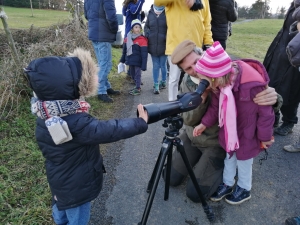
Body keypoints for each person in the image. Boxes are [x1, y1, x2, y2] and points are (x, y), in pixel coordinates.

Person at [24, 48, 148, 225]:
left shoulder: (44, 113)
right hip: (78, 187)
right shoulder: (75, 121)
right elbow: (109, 130)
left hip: (60, 181)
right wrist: (139, 123)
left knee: (61, 211)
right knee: (78, 219)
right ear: (68, 85)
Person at [163, 40, 281, 203]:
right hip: (193, 137)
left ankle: (234, 182)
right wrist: (201, 99)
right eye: (188, 69)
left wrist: (275, 99)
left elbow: (259, 96)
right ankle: (206, 167)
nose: (195, 70)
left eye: (196, 62)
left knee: (195, 193)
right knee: (169, 178)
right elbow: (189, 120)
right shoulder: (188, 83)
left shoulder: (222, 71)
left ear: (203, 55)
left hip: (217, 142)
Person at [193, 41, 274, 204]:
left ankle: (244, 188)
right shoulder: (220, 86)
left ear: (217, 76)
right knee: (229, 157)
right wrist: (204, 123)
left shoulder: (252, 85)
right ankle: (227, 183)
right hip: (230, 132)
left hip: (248, 133)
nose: (208, 86)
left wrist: (265, 137)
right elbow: (215, 107)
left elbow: (266, 113)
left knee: (244, 161)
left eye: (208, 81)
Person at [154, 0, 214, 101]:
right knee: (174, 80)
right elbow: (158, 2)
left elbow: (206, 22)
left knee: (197, 79)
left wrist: (209, 43)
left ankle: (194, 107)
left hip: (195, 48)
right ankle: (172, 109)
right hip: (175, 48)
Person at [263, 0, 300, 136]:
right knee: (272, 83)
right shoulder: (294, 4)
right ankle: (274, 116)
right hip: (280, 50)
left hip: (294, 55)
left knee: (290, 89)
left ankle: (289, 121)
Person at [84, 0, 120, 103]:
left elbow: (87, 15)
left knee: (101, 64)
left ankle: (106, 87)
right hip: (103, 34)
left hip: (94, 32)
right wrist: (114, 30)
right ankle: (100, 91)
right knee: (106, 64)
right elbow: (111, 17)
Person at [120, 19, 148, 96]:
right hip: (130, 60)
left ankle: (138, 88)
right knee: (132, 74)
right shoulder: (127, 38)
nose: (138, 29)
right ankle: (136, 86)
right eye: (136, 27)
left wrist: (144, 65)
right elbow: (124, 51)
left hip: (138, 61)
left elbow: (144, 54)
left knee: (137, 74)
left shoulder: (142, 40)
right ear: (132, 28)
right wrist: (122, 60)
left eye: (139, 27)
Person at [144, 4, 167, 94]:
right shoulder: (150, 13)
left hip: (164, 45)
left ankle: (164, 81)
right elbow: (146, 27)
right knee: (155, 66)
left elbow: (170, 28)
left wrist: (166, 37)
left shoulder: (167, 13)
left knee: (163, 65)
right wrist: (148, 35)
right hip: (153, 45)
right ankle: (156, 85)